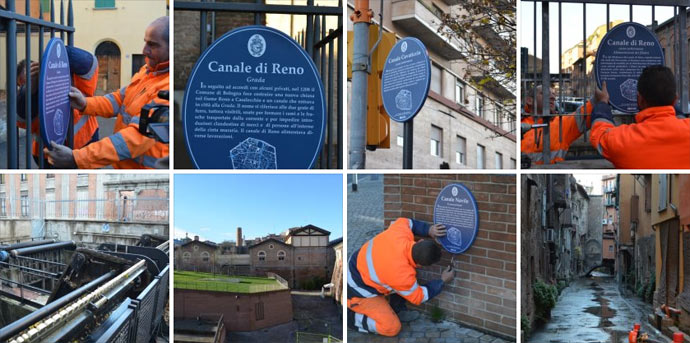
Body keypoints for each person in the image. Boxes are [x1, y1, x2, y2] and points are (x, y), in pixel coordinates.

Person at [44, 16, 170, 169]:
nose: (144, 50)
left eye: (152, 45)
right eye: (145, 42)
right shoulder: (147, 71)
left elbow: (136, 138)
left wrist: (77, 158)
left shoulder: (166, 87)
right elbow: (118, 99)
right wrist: (85, 103)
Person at [347, 217, 455, 336]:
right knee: (391, 327)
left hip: (356, 263)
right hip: (357, 291)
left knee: (404, 285)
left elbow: (407, 222)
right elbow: (419, 296)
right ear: (420, 265)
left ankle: (396, 307)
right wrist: (442, 281)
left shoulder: (400, 232)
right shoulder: (402, 275)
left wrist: (429, 230)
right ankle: (351, 317)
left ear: (419, 241)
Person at [589, 65, 690, 168]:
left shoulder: (623, 141)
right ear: (675, 99)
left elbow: (600, 134)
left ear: (640, 100)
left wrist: (602, 102)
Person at [16, 46, 100, 167]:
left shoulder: (70, 79)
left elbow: (89, 63)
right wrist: (31, 88)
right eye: (22, 84)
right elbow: (22, 119)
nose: (27, 83)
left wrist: (53, 55)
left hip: (85, 144)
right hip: (49, 157)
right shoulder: (27, 98)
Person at [521, 85, 606, 164]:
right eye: (545, 93)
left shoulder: (562, 124)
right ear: (529, 100)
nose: (553, 97)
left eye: (554, 94)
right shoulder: (520, 123)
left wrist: (597, 99)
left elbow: (584, 113)